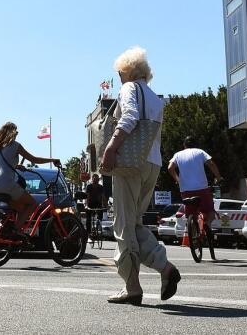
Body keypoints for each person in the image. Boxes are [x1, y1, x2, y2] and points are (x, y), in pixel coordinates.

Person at [99, 47, 179, 306]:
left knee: (123, 226)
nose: (120, 79)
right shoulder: (155, 98)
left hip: (129, 164)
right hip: (152, 163)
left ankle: (132, 287)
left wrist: (111, 147)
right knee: (134, 223)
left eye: (120, 74)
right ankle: (164, 268)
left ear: (128, 71)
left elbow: (130, 116)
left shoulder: (129, 89)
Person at [0, 122, 61, 232]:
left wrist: (16, 166)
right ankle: (15, 231)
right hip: (7, 183)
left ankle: (10, 232)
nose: (17, 133)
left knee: (21, 208)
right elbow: (34, 160)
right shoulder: (15, 145)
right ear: (12, 132)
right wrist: (52, 160)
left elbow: (2, 164)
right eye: (16, 131)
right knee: (33, 204)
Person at [167, 136, 222, 234]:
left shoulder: (178, 154)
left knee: (191, 215)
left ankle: (193, 239)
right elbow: (211, 164)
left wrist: (178, 180)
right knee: (210, 212)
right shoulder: (200, 152)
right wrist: (218, 177)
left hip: (185, 190)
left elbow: (170, 168)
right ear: (195, 144)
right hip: (202, 189)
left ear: (184, 145)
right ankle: (207, 225)